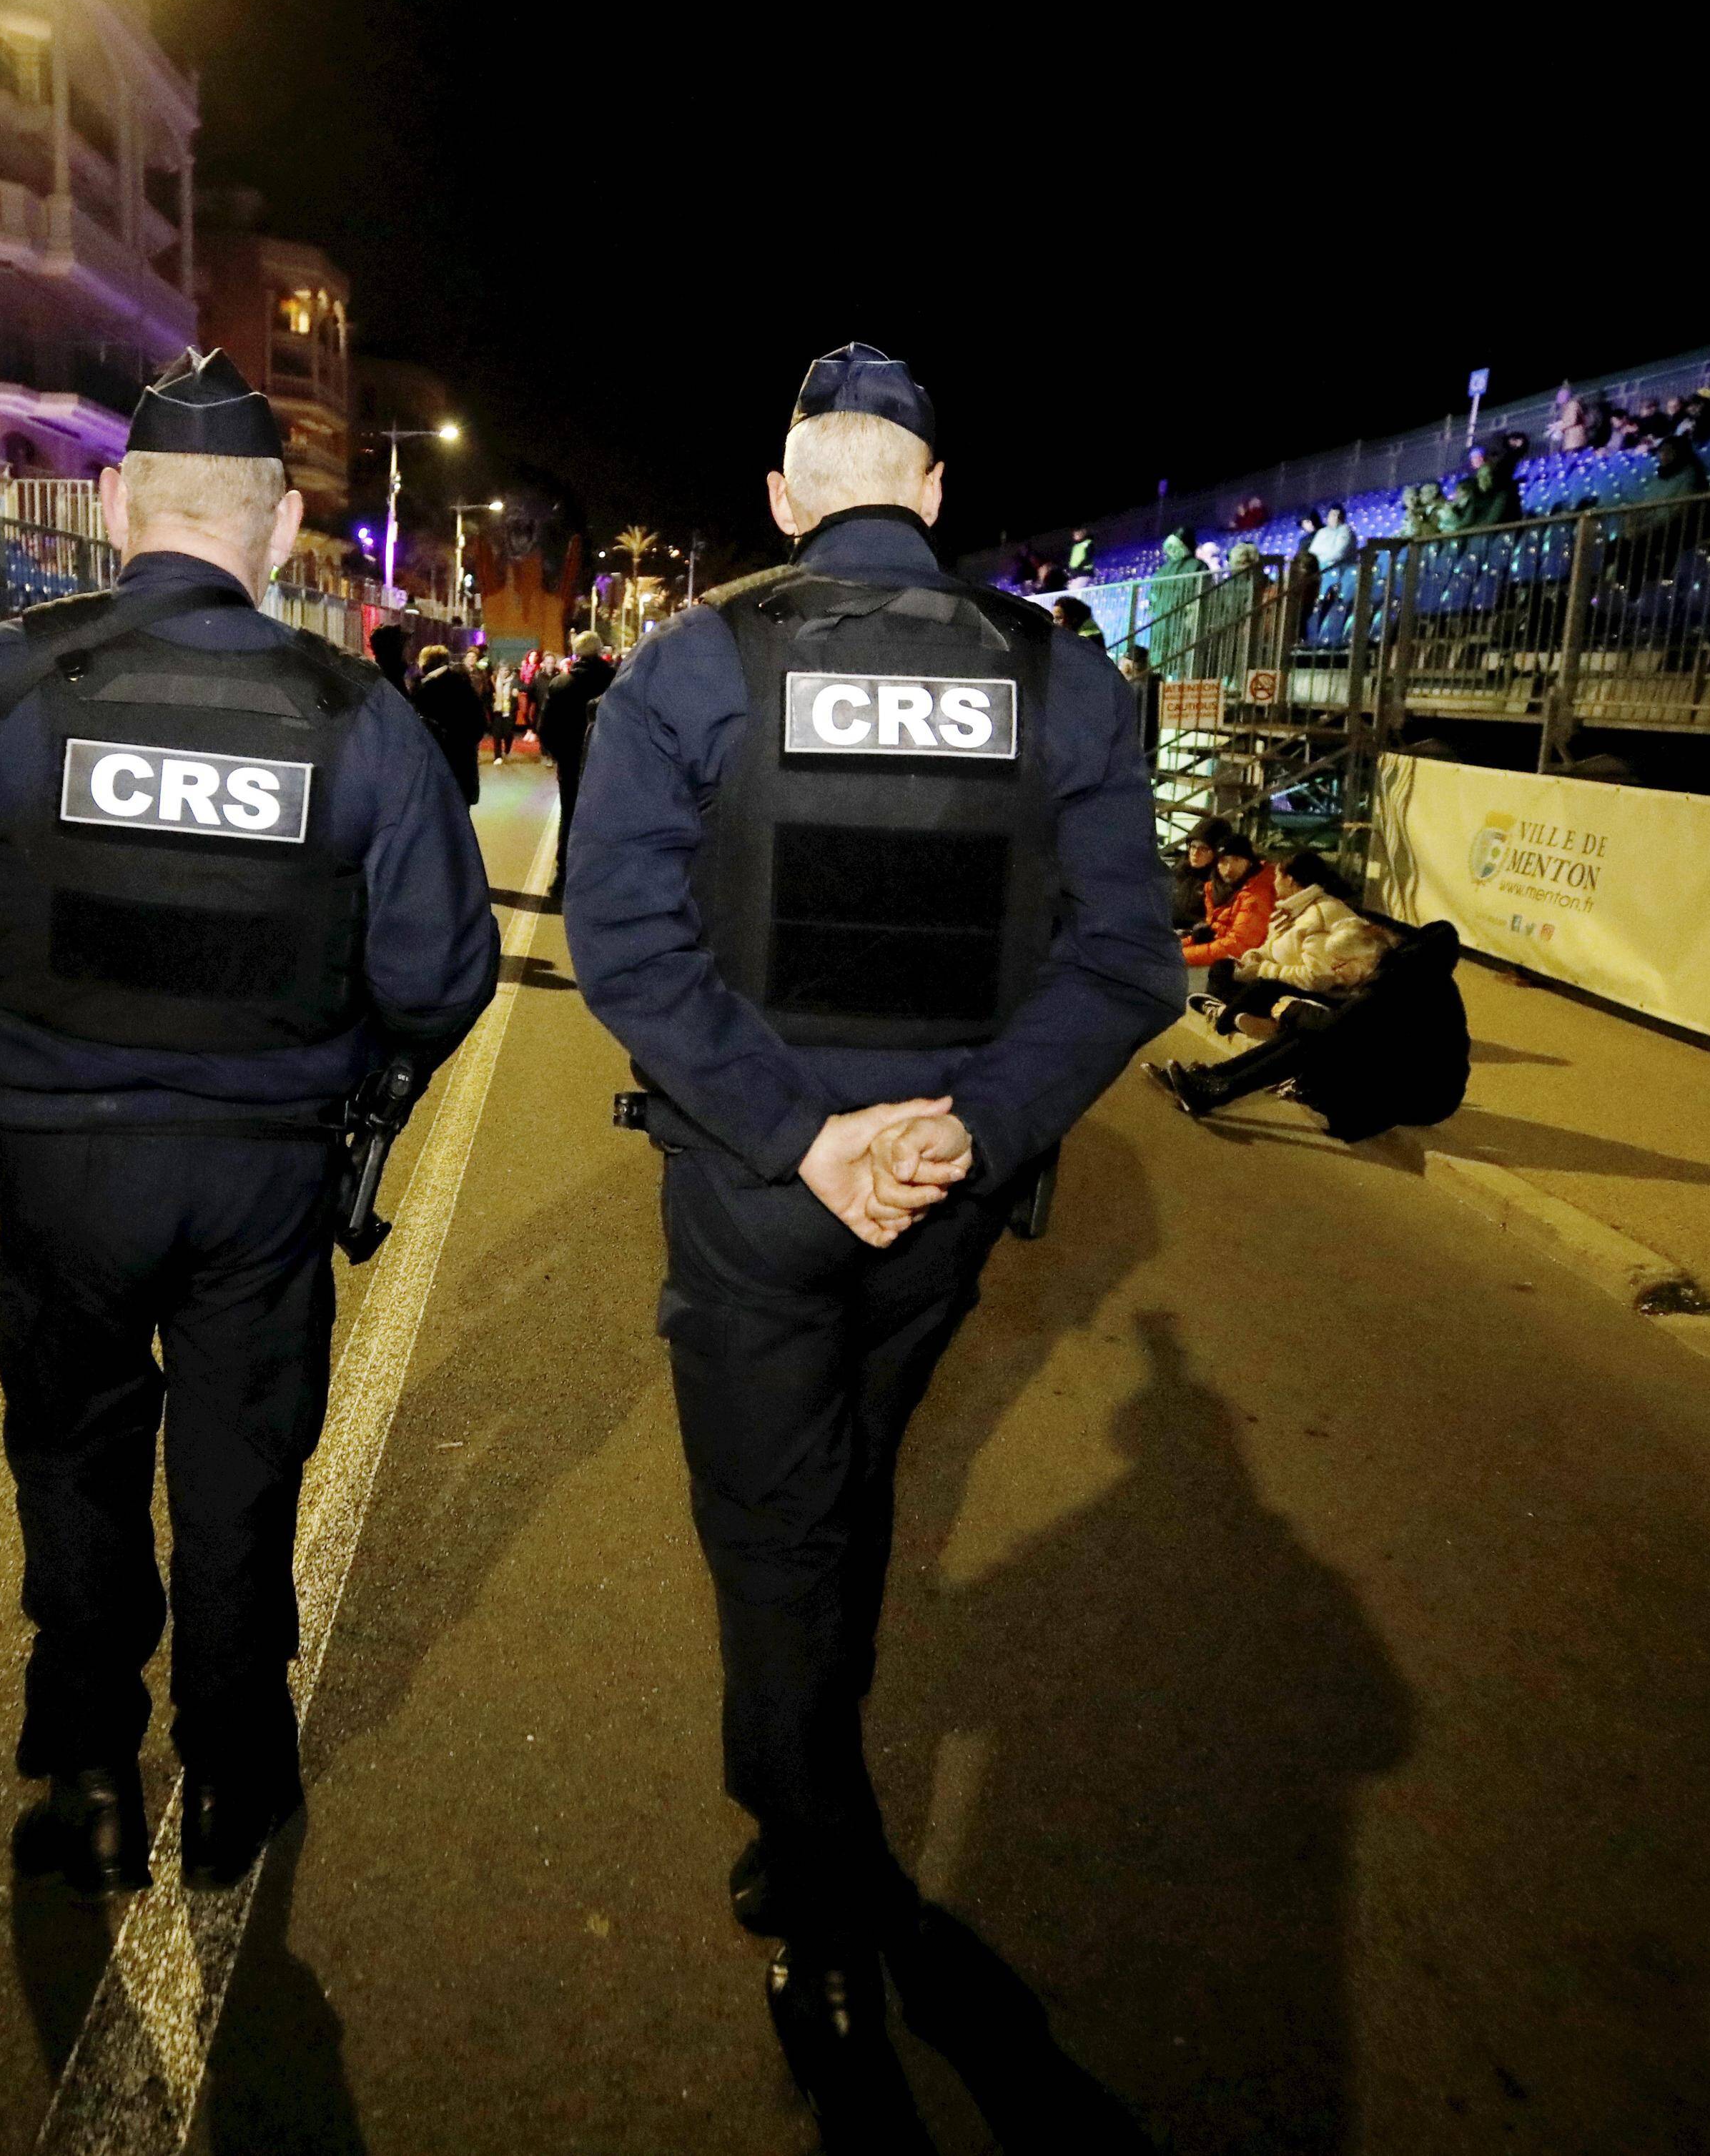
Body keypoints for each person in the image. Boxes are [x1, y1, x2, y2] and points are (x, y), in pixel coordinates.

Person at [563, 342, 1180, 2127]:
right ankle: (813, 1825)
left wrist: (800, 1137)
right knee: (845, 1496)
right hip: (941, 1193)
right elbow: (1124, 959)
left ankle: (820, 1898)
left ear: (783, 498)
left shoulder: (693, 664)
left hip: (766, 1192)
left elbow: (623, 942)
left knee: (778, 1534)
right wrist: (966, 1130)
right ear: (931, 489)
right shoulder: (1063, 678)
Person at [0, 350, 498, 1899]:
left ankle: (87, 1774)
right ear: (278, 528)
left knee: (74, 1461)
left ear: (112, 503)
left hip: (59, 1162)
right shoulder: (360, 715)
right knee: (240, 1470)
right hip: (265, 1172)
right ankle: (233, 1776)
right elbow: (442, 973)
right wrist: (360, 1078)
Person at [1152, 918, 1471, 1135]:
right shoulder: (1410, 973)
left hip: (1420, 1097)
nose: (1335, 972)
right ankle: (1212, 1080)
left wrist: (1291, 1010)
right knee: (1312, 1030)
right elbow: (1347, 1024)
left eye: (1339, 964)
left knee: (1313, 1039)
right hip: (1408, 1077)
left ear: (1362, 960)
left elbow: (1333, 1027)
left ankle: (1214, 1089)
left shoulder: (1393, 982)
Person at [1197, 847, 1388, 1029]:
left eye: (1277, 875)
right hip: (1282, 979)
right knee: (1223, 968)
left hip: (1320, 994)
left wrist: (1264, 969)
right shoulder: (1292, 910)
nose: (1274, 882)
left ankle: (1229, 1017)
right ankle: (1229, 1011)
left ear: (1289, 879)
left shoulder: (1320, 914)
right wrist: (1256, 955)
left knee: (1262, 987)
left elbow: (1318, 977)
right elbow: (1273, 947)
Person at [539, 628, 615, 874]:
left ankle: (565, 867)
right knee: (604, 813)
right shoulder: (615, 681)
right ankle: (599, 868)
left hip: (570, 758)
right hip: (606, 759)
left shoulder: (561, 684)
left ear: (576, 653)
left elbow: (546, 727)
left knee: (570, 812)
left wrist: (558, 753)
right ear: (600, 650)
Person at [1182, 824, 1277, 977]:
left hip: (1247, 963)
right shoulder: (1217, 888)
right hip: (1224, 954)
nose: (1228, 869)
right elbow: (1216, 930)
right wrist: (1173, 947)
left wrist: (1179, 955)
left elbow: (1239, 946)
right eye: (1223, 861)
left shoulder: (1256, 893)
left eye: (1236, 860)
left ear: (1250, 862)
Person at [407, 641, 488, 804]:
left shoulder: (425, 689)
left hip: (435, 770)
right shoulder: (463, 684)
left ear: (427, 663)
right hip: (463, 768)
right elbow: (480, 723)